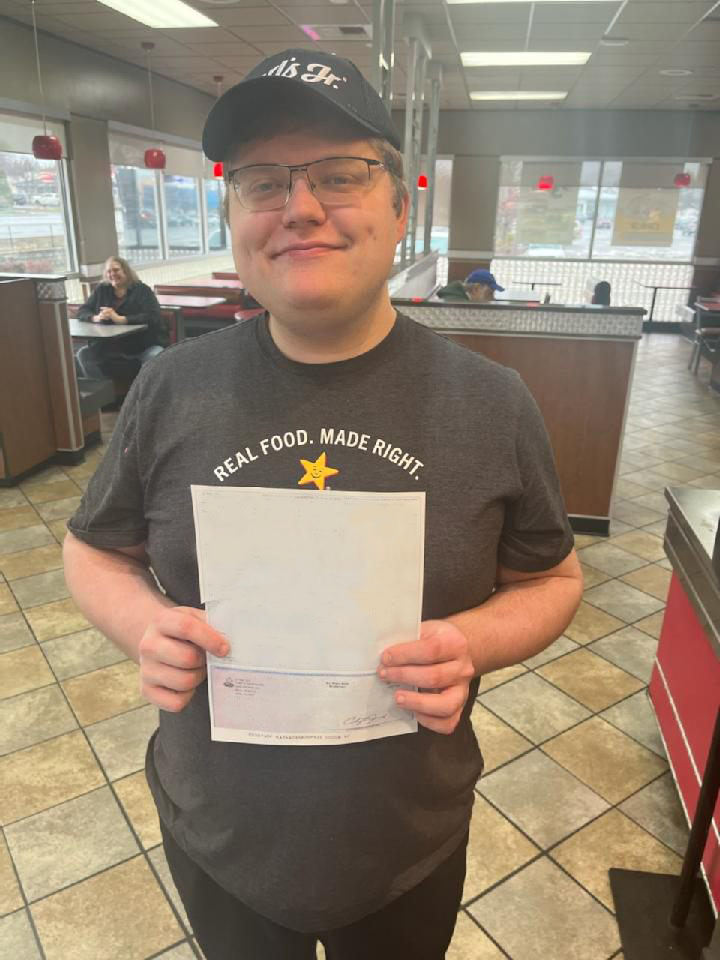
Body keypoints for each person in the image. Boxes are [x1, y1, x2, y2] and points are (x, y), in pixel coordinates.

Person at [63, 48, 583, 960]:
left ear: (398, 207)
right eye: (263, 182)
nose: (299, 208)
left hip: (405, 839)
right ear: (234, 216)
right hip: (219, 832)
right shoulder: (170, 388)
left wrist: (474, 642)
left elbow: (553, 578)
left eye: (340, 175)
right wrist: (143, 626)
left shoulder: (491, 403)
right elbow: (95, 549)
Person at [74, 255, 164, 379]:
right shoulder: (101, 289)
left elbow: (153, 316)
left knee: (155, 356)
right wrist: (96, 317)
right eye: (109, 271)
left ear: (125, 271)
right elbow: (82, 310)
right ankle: (105, 392)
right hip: (106, 347)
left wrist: (123, 319)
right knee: (83, 354)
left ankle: (142, 394)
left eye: (116, 270)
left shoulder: (142, 290)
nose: (112, 274)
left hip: (141, 346)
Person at [436, 267, 504, 303]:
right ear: (476, 289)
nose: (492, 299)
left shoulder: (457, 297)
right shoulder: (458, 305)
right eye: (489, 294)